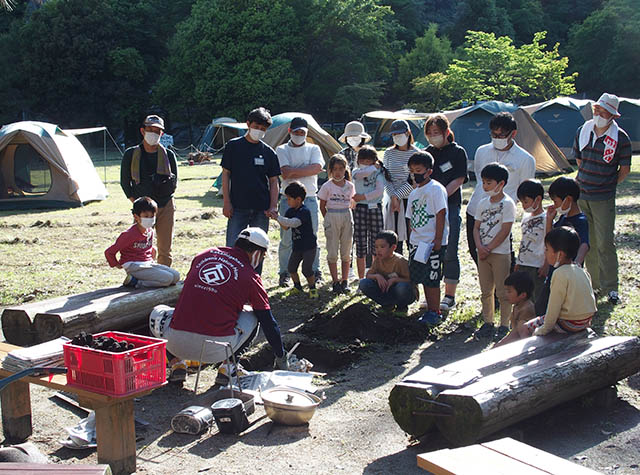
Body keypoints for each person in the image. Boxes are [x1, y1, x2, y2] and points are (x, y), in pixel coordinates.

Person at [149, 227, 288, 385]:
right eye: (262, 256)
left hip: (175, 343)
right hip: (215, 351)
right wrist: (281, 355)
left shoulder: (203, 255)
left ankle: (176, 364)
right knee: (253, 314)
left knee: (157, 312)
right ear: (256, 253)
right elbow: (267, 321)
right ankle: (228, 368)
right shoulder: (251, 276)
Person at [574, 93, 632, 305]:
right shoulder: (583, 131)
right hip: (582, 193)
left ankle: (611, 287)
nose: (598, 114)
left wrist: (608, 183)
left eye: (603, 111)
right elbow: (579, 159)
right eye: (597, 109)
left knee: (605, 242)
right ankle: (594, 284)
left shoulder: (621, 138)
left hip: (604, 197)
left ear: (612, 115)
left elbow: (624, 169)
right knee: (588, 241)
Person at [466, 112, 536, 265]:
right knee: (476, 251)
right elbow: (479, 179)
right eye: (494, 135)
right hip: (476, 209)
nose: (497, 138)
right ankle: (488, 286)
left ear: (513, 133)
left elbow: (525, 190)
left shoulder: (525, 159)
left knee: (502, 255)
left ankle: (502, 288)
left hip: (502, 215)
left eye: (502, 135)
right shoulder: (481, 151)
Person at [221, 107, 280, 274]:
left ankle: (255, 282)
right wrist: (226, 202)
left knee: (258, 249)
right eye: (256, 127)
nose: (259, 131)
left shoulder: (269, 152)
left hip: (261, 209)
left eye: (263, 129)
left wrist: (273, 206)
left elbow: (274, 181)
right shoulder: (233, 146)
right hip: (237, 207)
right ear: (248, 124)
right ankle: (231, 280)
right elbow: (226, 175)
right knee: (233, 247)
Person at [424, 114, 468, 313]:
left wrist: (440, 196)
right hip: (428, 208)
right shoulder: (426, 153)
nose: (434, 136)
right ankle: (430, 292)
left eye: (437, 133)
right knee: (429, 249)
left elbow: (458, 179)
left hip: (450, 205)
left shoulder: (457, 152)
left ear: (446, 132)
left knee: (450, 249)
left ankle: (449, 295)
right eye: (430, 133)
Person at [120, 115, 178, 267]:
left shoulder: (169, 155)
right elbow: (125, 182)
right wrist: (138, 204)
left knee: (165, 248)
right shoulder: (131, 154)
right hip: (143, 209)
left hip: (166, 205)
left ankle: (164, 277)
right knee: (140, 246)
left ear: (162, 134)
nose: (153, 133)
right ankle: (141, 275)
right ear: (142, 130)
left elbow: (174, 183)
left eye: (157, 131)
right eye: (150, 130)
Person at [276, 117, 324, 287]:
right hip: (287, 199)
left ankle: (315, 271)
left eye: (302, 132)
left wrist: (294, 170)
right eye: (296, 132)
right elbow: (285, 173)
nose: (299, 135)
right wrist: (305, 169)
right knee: (287, 238)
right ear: (290, 131)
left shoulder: (314, 148)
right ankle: (285, 273)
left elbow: (317, 168)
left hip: (310, 198)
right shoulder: (281, 149)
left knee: (312, 237)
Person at [524, 227, 597, 336]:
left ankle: (525, 352)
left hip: (569, 323)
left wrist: (543, 329)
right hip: (585, 322)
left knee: (525, 328)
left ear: (560, 254)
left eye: (547, 249)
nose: (545, 252)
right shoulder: (582, 271)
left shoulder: (559, 273)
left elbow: (553, 308)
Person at [473, 163, 516, 341]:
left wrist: (489, 248)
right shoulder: (482, 203)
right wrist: (480, 248)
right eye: (483, 182)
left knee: (502, 291)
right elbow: (476, 227)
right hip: (483, 253)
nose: (485, 186)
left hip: (500, 253)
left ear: (501, 183)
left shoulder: (508, 204)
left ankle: (504, 324)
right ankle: (488, 322)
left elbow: (505, 230)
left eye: (489, 182)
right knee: (485, 291)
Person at [535, 176, 590, 315]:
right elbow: (550, 241)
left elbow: (584, 244)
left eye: (556, 201)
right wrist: (549, 220)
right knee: (544, 305)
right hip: (554, 271)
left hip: (567, 274)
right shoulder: (562, 219)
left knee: (562, 306)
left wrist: (577, 262)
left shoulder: (580, 221)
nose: (554, 205)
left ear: (568, 200)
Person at [405, 151, 448, 326]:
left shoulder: (435, 189)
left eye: (418, 170)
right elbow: (410, 217)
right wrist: (410, 239)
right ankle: (428, 307)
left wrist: (438, 239)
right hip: (418, 242)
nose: (415, 174)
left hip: (431, 242)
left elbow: (441, 213)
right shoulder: (414, 192)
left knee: (432, 277)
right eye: (412, 170)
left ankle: (435, 311)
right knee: (421, 275)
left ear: (429, 171)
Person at [105, 196, 180, 288]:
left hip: (147, 263)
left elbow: (150, 249)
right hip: (134, 266)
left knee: (176, 276)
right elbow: (109, 252)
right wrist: (117, 265)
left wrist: (151, 259)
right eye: (146, 216)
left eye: (152, 216)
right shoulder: (129, 234)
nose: (150, 219)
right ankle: (136, 282)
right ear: (136, 217)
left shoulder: (150, 231)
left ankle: (143, 279)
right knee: (167, 279)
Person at [272, 182, 318, 298]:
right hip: (297, 247)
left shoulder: (304, 211)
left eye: (289, 199)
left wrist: (278, 217)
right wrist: (276, 217)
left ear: (298, 199)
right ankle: (297, 286)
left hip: (309, 247)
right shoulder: (290, 211)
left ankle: (312, 289)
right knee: (291, 268)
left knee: (306, 270)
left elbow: (294, 223)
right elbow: (285, 226)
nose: (287, 202)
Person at [318, 154, 355, 293]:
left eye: (341, 168)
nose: (338, 172)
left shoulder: (350, 186)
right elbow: (322, 205)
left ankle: (345, 281)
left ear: (345, 169)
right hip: (332, 216)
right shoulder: (327, 186)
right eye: (335, 169)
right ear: (330, 171)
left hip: (346, 215)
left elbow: (352, 202)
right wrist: (328, 219)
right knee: (332, 251)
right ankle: (335, 281)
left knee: (346, 250)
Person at [382, 119, 421, 255]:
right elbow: (385, 176)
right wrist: (393, 197)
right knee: (394, 238)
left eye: (400, 134)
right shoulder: (388, 153)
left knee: (411, 237)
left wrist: (397, 196)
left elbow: (414, 179)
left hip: (409, 200)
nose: (397, 137)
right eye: (394, 135)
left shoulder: (416, 153)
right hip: (392, 201)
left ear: (408, 133)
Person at [352, 145, 390, 279]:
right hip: (360, 209)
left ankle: (376, 276)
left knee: (377, 245)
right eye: (363, 160)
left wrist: (362, 197)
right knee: (360, 245)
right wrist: (374, 167)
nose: (366, 164)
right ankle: (361, 278)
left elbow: (379, 192)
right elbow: (361, 175)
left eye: (369, 161)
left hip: (375, 208)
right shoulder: (356, 171)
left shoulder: (379, 173)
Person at [359, 230, 416, 316]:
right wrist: (377, 276)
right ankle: (387, 305)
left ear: (393, 247)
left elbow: (410, 280)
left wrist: (395, 280)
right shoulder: (378, 260)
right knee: (364, 283)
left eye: (382, 247)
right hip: (386, 290)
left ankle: (402, 307)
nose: (378, 250)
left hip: (402, 291)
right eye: (376, 247)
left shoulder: (400, 261)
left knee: (402, 287)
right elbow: (368, 275)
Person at [514, 179, 546, 304]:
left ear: (538, 199)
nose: (524, 205)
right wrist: (519, 261)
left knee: (536, 297)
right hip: (524, 262)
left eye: (526, 201)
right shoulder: (526, 217)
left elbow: (548, 242)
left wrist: (546, 264)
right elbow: (524, 239)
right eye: (522, 202)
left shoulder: (546, 218)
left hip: (537, 264)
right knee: (523, 296)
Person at [494, 271, 536, 347]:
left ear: (523, 295)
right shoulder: (517, 305)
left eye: (509, 291)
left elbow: (518, 333)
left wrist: (499, 345)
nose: (506, 294)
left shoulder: (527, 309)